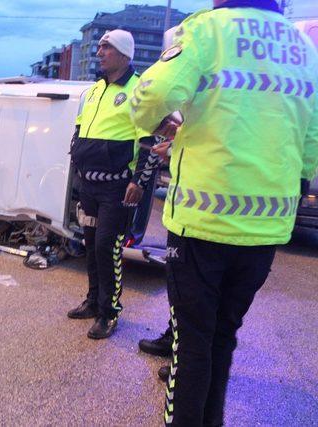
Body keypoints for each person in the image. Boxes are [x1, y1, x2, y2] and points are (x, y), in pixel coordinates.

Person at [130, 0, 318, 425]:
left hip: (202, 222)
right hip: (265, 227)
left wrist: (158, 124)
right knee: (222, 338)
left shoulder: (207, 30)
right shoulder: (304, 48)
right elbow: (312, 140)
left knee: (191, 345)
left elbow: (151, 97)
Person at [67, 29, 160, 339]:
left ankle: (110, 313)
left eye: (106, 48)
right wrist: (76, 158)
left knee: (109, 246)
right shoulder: (93, 90)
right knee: (90, 244)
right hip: (89, 186)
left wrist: (140, 182)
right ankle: (93, 302)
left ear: (123, 54)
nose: (99, 52)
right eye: (100, 47)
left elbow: (149, 143)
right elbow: (79, 129)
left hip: (117, 188)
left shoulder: (138, 91)